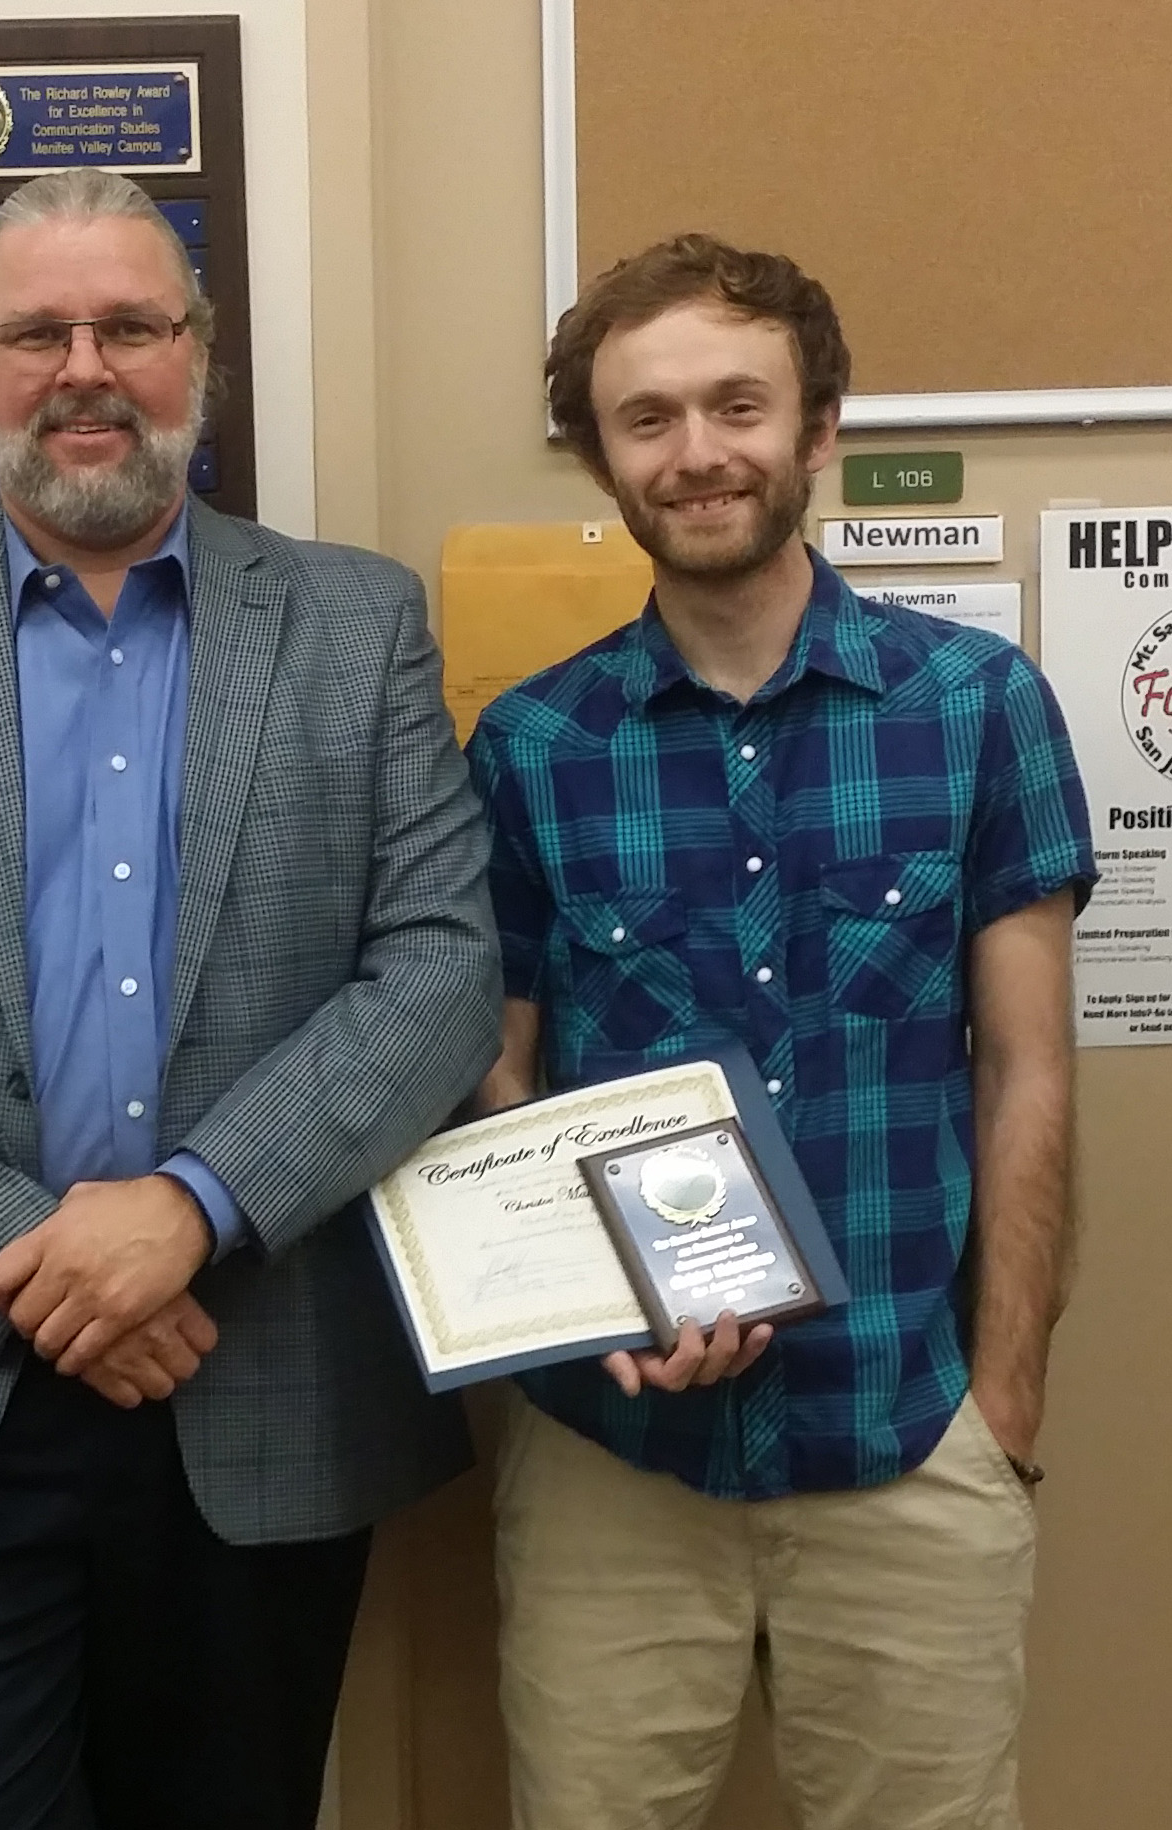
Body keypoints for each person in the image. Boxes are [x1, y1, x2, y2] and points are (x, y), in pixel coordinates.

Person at [0, 167, 500, 1830]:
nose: (83, 364)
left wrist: (190, 1210)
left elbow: (436, 969)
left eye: (129, 323)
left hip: (259, 1372)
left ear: (196, 352)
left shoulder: (354, 626)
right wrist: (45, 1251)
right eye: (34, 329)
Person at [466, 235, 1096, 1830]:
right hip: (614, 1460)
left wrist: (1000, 1397)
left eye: (735, 406)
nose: (695, 453)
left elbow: (1028, 1069)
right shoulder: (532, 745)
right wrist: (580, 1306)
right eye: (646, 419)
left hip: (906, 1428)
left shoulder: (975, 706)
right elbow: (498, 1079)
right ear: (602, 458)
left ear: (816, 430)